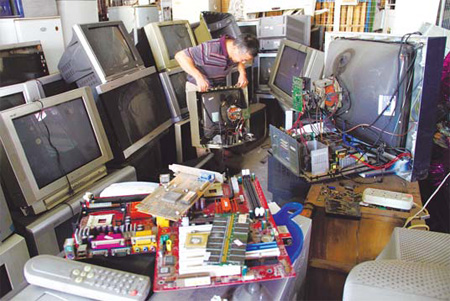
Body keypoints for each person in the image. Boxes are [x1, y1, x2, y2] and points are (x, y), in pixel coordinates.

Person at [174, 33, 259, 92]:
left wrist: (242, 74)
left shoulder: (236, 46)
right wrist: (198, 77)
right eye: (243, 59)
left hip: (214, 88)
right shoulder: (210, 49)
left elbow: (240, 62)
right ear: (235, 48)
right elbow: (180, 56)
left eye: (246, 60)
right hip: (197, 87)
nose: (243, 62)